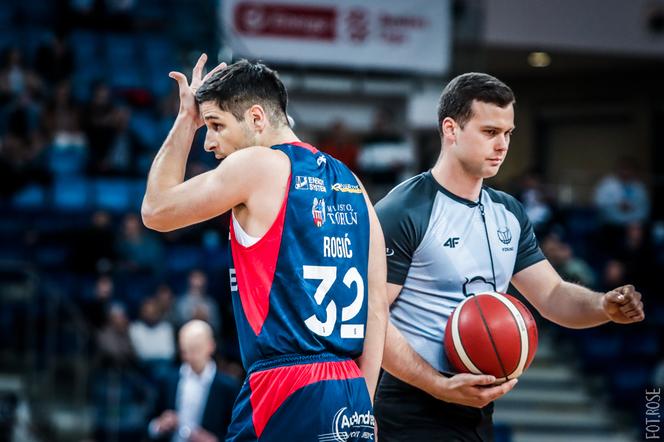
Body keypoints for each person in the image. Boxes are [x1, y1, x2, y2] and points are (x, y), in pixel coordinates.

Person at [373, 72, 645, 441]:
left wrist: (603, 306)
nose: (502, 145)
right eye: (489, 132)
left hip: (479, 405)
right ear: (451, 130)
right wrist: (436, 384)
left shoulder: (509, 212)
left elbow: (550, 295)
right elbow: (372, 318)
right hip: (411, 403)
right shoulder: (404, 209)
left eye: (508, 133)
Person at [141, 55, 387, 441]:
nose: (209, 142)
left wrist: (186, 120)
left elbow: (155, 210)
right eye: (205, 127)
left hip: (283, 385)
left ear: (257, 118)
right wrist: (362, 404)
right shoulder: (352, 183)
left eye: (216, 125)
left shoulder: (256, 165)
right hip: (351, 389)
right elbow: (376, 309)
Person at [148, 320, 240, 442]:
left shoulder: (228, 387)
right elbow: (148, 423)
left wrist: (216, 440)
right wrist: (160, 425)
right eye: (186, 349)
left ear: (211, 346)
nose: (191, 355)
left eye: (196, 347)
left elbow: (238, 430)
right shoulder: (167, 381)